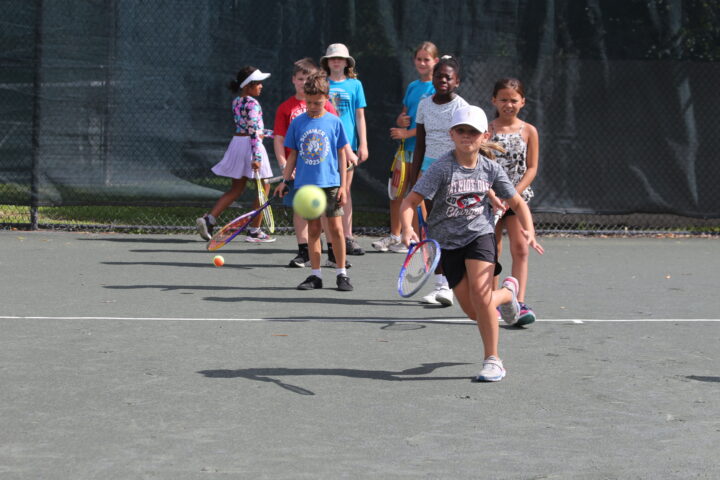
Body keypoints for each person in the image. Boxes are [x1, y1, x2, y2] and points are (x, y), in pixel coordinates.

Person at [399, 105, 544, 382]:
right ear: (452, 134)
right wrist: (407, 228)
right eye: (461, 131)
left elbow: (516, 202)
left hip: (480, 235)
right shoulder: (441, 169)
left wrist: (530, 230)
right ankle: (508, 294)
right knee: (473, 312)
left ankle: (493, 360)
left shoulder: (490, 168)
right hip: (448, 244)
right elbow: (410, 202)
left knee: (481, 294)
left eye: (473, 132)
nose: (467, 136)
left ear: (484, 135)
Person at [274, 73, 353, 292]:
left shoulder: (334, 122)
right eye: (308, 102)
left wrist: (344, 187)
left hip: (330, 184)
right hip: (306, 187)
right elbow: (292, 155)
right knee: (314, 229)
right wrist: (285, 179)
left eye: (317, 102)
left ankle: (341, 274)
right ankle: (315, 275)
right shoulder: (298, 122)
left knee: (336, 229)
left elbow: (342, 155)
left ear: (326, 98)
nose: (312, 106)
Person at [408, 55, 469, 306]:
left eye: (448, 77)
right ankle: (442, 285)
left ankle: (458, 282)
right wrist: (415, 180)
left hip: (454, 172)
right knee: (434, 228)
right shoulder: (424, 105)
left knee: (454, 229)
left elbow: (465, 144)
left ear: (457, 81)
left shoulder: (461, 108)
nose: (442, 80)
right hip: (429, 172)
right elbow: (420, 144)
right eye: (438, 76)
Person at [372, 41, 440, 254]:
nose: (422, 63)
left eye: (426, 59)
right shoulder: (412, 86)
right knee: (397, 193)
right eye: (419, 59)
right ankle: (396, 236)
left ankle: (419, 239)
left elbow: (433, 123)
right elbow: (404, 114)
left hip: (424, 151)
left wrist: (407, 133)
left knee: (417, 195)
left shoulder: (436, 89)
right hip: (405, 150)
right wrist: (401, 121)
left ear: (435, 62)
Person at [196, 66, 275, 243]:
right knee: (263, 189)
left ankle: (209, 219)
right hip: (251, 146)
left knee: (236, 189)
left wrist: (274, 134)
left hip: (238, 144)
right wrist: (257, 157)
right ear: (248, 85)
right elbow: (254, 131)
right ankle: (255, 231)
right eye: (258, 83)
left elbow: (252, 128)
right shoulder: (253, 103)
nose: (261, 86)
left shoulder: (237, 101)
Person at [488, 78, 540, 325]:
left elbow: (532, 168)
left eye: (514, 100)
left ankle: (518, 302)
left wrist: (513, 195)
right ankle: (492, 301)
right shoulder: (487, 130)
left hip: (518, 200)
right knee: (491, 252)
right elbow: (480, 165)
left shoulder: (529, 131)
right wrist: (494, 195)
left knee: (520, 250)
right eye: (504, 99)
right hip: (490, 201)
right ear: (494, 101)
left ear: (522, 102)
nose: (509, 104)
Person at [320, 43, 368, 256]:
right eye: (332, 58)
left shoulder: (355, 85)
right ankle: (329, 238)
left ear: (347, 62)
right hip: (323, 145)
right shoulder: (321, 84)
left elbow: (359, 116)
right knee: (325, 191)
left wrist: (363, 144)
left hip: (348, 146)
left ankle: (347, 237)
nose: (336, 61)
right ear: (327, 62)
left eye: (340, 58)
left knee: (344, 191)